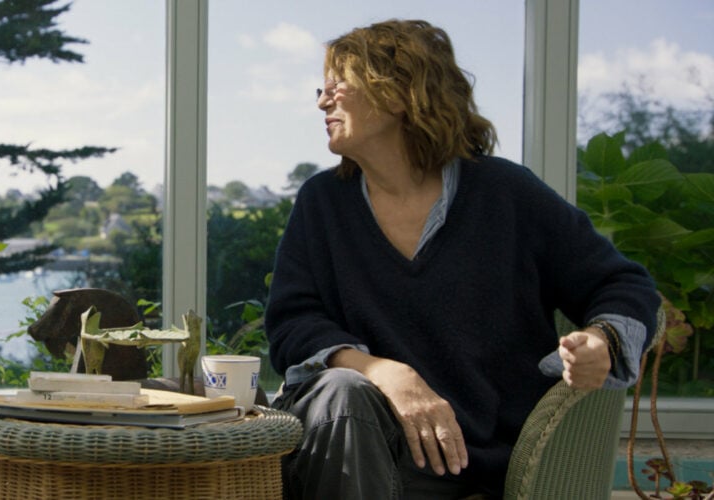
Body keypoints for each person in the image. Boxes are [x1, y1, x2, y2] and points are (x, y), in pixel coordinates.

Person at [265, 19, 660, 499]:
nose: (322, 102)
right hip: (352, 443)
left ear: (398, 92)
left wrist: (602, 341)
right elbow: (291, 324)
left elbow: (623, 283)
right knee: (341, 393)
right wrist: (383, 372)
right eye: (320, 90)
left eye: (337, 86)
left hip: (470, 460)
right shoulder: (321, 202)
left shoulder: (506, 195)